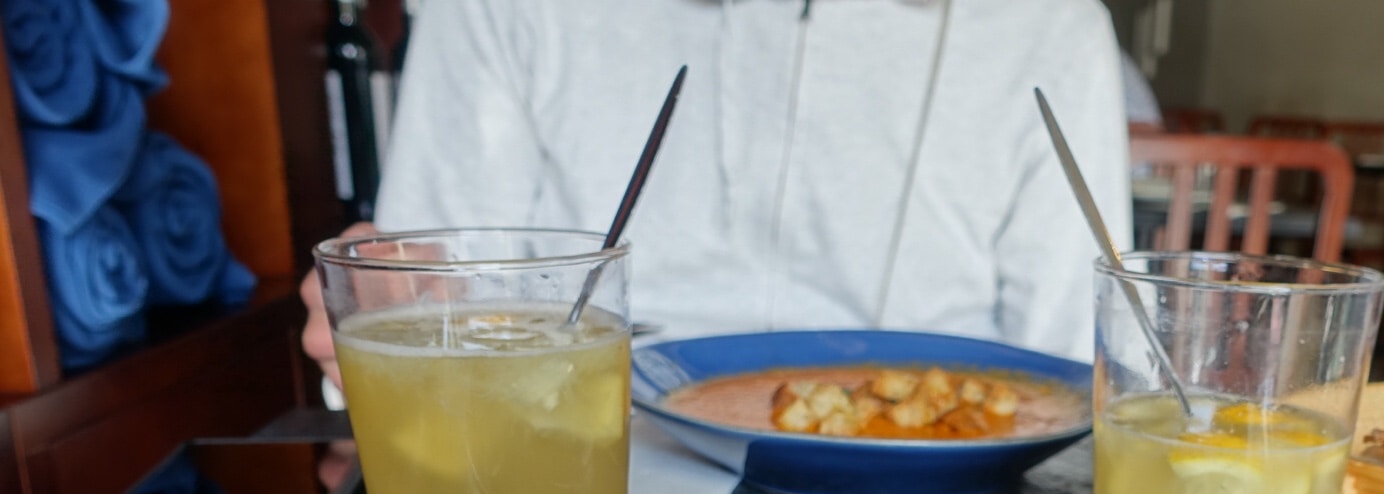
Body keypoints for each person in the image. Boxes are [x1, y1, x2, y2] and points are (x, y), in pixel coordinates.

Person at [301, 0, 1133, 390]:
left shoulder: (1051, 25)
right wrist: (382, 316)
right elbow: (436, 317)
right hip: (588, 471)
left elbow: (1072, 373)